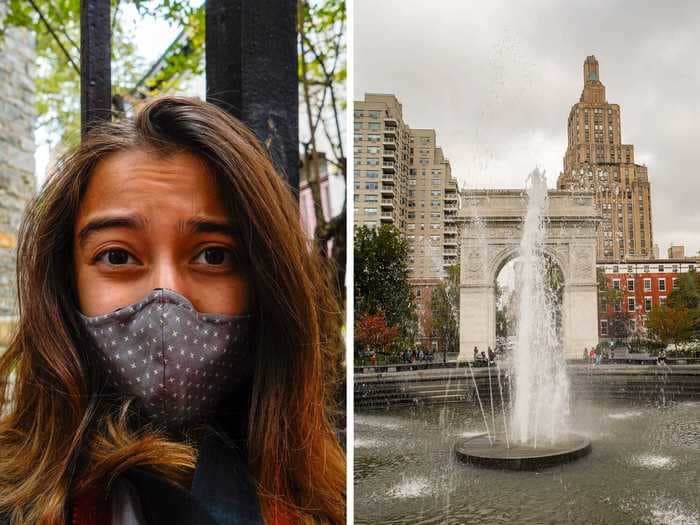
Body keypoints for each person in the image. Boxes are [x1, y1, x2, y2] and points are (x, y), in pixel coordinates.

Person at [0, 97, 344, 524]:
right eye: (117, 257)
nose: (166, 296)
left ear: (266, 282)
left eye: (214, 256)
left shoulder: (332, 502)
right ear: (66, 283)